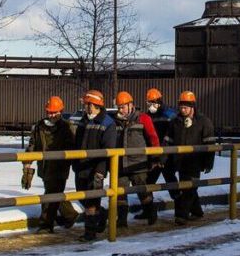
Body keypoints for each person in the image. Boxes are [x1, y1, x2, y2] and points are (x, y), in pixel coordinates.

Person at [22, 96, 79, 233]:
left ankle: (46, 225)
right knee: (54, 193)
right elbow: (32, 145)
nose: (52, 115)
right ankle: (70, 215)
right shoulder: (39, 126)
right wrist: (27, 163)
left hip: (60, 168)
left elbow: (72, 147)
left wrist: (68, 162)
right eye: (50, 112)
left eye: (55, 112)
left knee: (50, 196)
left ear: (61, 111)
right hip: (45, 167)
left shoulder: (66, 127)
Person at [73, 89, 117, 241]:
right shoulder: (84, 120)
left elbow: (108, 150)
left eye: (87, 104)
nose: (86, 107)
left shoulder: (108, 123)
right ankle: (102, 214)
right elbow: (77, 143)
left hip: (96, 169)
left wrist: (100, 171)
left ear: (94, 105)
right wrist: (75, 164)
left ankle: (90, 233)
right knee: (82, 196)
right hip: (81, 167)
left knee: (91, 202)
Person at [165, 90, 215, 225]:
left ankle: (181, 215)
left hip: (195, 161)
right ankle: (197, 212)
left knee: (189, 188)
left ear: (192, 107)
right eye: (181, 107)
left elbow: (210, 144)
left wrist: (208, 163)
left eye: (185, 107)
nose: (182, 110)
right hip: (180, 162)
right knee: (188, 188)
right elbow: (168, 141)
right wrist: (164, 158)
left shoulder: (204, 122)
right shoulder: (175, 122)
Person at [112, 91, 161, 227]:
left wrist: (155, 158)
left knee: (142, 190)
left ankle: (151, 212)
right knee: (120, 193)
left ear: (130, 105)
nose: (120, 110)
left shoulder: (143, 118)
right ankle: (121, 220)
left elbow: (153, 138)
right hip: (120, 164)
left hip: (138, 163)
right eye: (119, 107)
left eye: (122, 107)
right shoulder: (115, 121)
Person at [143, 87, 179, 202]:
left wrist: (166, 154)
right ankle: (148, 208)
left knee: (170, 179)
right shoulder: (147, 116)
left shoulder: (169, 114)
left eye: (152, 103)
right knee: (149, 182)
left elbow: (173, 134)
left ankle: (180, 205)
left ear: (159, 102)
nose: (150, 106)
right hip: (153, 154)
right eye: (149, 103)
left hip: (167, 154)